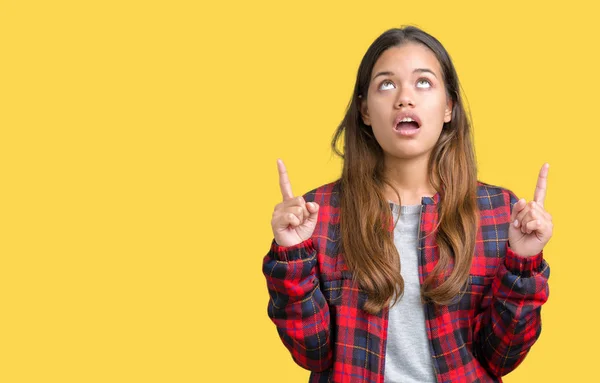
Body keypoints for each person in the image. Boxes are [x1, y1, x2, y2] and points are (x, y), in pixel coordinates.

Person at [262, 25, 552, 383]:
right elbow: (311, 353)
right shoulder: (317, 213)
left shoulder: (495, 211)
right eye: (386, 84)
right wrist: (292, 256)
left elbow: (501, 357)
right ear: (365, 110)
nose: (404, 98)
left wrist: (523, 264)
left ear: (448, 107)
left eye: (424, 82)